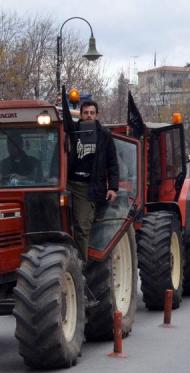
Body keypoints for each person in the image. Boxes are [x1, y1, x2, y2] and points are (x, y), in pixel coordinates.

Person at [67, 100, 119, 260]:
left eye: (92, 113)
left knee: (82, 227)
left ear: (96, 115)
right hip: (68, 183)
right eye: (85, 113)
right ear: (80, 114)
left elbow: (112, 163)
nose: (88, 115)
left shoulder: (104, 135)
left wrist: (113, 187)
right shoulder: (71, 132)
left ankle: (81, 268)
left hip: (88, 187)